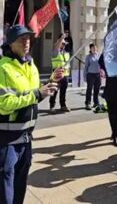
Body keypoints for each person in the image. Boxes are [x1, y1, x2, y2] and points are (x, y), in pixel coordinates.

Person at [0, 25, 63, 204]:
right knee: (5, 193)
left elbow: (33, 98)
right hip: (7, 142)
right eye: (22, 39)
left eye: (28, 38)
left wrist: (50, 82)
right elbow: (3, 105)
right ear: (11, 43)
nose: (27, 42)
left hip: (26, 140)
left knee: (19, 189)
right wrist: (36, 94)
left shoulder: (31, 64)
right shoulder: (2, 67)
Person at [99, 54, 117, 147]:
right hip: (109, 88)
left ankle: (115, 135)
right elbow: (101, 63)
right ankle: (113, 132)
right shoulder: (108, 53)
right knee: (111, 113)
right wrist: (101, 70)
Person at [50, 34, 71, 113]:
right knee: (54, 90)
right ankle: (52, 106)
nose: (63, 45)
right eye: (62, 43)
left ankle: (63, 105)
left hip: (65, 75)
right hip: (56, 74)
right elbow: (56, 47)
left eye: (64, 43)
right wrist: (61, 38)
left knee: (63, 91)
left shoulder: (66, 53)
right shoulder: (55, 52)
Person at [84, 43, 101, 110]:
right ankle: (88, 103)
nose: (94, 49)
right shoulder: (88, 57)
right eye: (93, 48)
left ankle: (96, 102)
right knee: (89, 89)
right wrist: (84, 76)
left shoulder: (98, 55)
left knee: (97, 89)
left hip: (97, 74)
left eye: (95, 48)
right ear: (90, 49)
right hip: (90, 74)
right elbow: (86, 67)